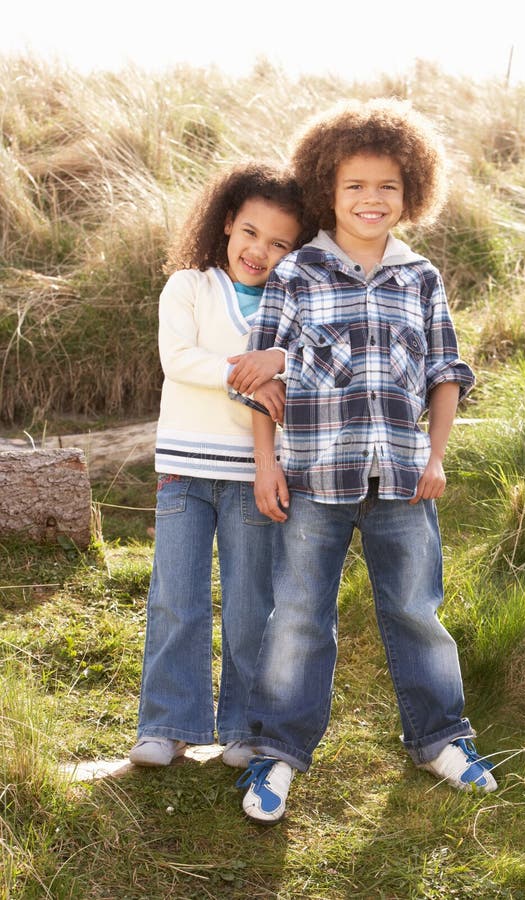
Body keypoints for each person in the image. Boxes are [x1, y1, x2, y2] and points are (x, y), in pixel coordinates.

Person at [230, 99, 498, 822]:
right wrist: (265, 464)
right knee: (300, 617)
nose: (371, 200)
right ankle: (276, 757)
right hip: (315, 475)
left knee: (416, 611)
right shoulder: (298, 272)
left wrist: (437, 457)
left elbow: (446, 373)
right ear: (327, 189)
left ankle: (441, 738)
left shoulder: (422, 278)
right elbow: (263, 378)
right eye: (355, 186)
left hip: (406, 479)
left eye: (387, 186)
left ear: (412, 189)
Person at [129, 161, 306, 769]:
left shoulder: (292, 306)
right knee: (176, 597)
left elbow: (300, 377)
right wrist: (250, 377)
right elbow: (178, 359)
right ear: (228, 221)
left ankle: (245, 726)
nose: (261, 251)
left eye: (280, 243)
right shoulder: (190, 287)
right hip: (183, 467)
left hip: (253, 473)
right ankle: (166, 723)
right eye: (251, 232)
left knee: (251, 604)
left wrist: (276, 366)